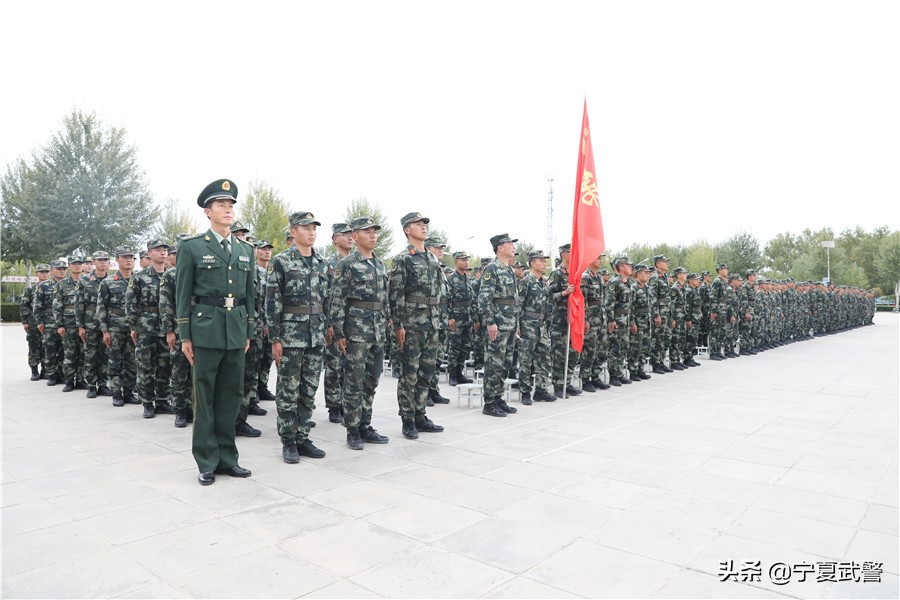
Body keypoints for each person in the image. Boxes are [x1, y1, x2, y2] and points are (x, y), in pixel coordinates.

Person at [175, 179, 255, 486]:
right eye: (221, 205)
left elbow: (249, 296)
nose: (228, 210)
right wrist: (185, 336)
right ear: (208, 212)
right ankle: (206, 461)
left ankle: (228, 459)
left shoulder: (244, 249)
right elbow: (182, 294)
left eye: (231, 205)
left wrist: (247, 330)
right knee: (204, 397)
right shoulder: (192, 247)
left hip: (235, 332)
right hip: (205, 331)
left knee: (230, 398)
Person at [266, 211, 330, 464]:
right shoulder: (281, 262)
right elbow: (272, 301)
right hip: (291, 336)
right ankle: (288, 441)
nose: (312, 231)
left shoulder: (323, 263)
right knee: (288, 390)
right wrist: (275, 338)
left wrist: (328, 328)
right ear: (293, 231)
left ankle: (303, 436)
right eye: (306, 227)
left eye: (314, 227)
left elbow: (327, 300)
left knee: (309, 389)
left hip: (315, 335)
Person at [329, 216, 391, 449]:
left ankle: (366, 425)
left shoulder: (380, 263)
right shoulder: (347, 264)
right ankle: (352, 429)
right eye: (367, 231)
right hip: (356, 331)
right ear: (355, 236)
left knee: (371, 380)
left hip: (377, 330)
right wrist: (339, 333)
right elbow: (337, 300)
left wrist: (388, 321)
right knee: (353, 382)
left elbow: (384, 299)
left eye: (374, 231)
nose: (373, 235)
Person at [388, 212, 445, 439]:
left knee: (426, 373)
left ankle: (420, 415)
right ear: (407, 230)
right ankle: (408, 419)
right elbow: (396, 294)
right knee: (409, 374)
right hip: (412, 324)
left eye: (424, 224)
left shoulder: (431, 259)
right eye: (417, 224)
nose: (423, 227)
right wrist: (398, 325)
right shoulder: (403, 259)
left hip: (431, 323)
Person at [127, 239, 174, 418]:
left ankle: (162, 400)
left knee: (165, 366)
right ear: (149, 253)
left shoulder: (173, 275)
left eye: (164, 250)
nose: (162, 252)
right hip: (146, 328)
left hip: (167, 328)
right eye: (158, 250)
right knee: (145, 366)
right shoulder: (139, 277)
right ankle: (147, 402)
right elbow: (131, 304)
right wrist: (134, 326)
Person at [477, 233, 520, 417]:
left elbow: (513, 300)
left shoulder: (509, 269)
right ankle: (489, 402)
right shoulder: (492, 269)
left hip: (510, 325)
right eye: (510, 244)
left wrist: (516, 324)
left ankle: (498, 398)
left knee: (505, 363)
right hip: (498, 325)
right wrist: (490, 322)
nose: (513, 247)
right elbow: (484, 298)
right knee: (493, 363)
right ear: (500, 247)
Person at [159, 235, 193, 427]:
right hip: (179, 331)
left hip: (199, 329)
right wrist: (169, 330)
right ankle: (180, 410)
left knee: (197, 373)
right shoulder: (171, 275)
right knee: (179, 372)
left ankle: (194, 408)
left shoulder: (200, 271)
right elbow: (165, 305)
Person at [98, 248, 138, 405]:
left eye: (131, 257)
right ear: (117, 260)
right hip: (115, 328)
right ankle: (116, 393)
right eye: (125, 257)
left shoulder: (139, 280)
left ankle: (129, 392)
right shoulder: (108, 282)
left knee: (133, 361)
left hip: (134, 329)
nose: (128, 260)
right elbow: (101, 307)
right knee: (114, 361)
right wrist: (104, 330)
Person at [324, 223, 354, 423]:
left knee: (350, 365)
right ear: (335, 238)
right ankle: (334, 405)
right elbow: (325, 295)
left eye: (352, 234)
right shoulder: (329, 263)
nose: (350, 237)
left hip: (354, 321)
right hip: (335, 320)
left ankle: (346, 402)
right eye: (345, 234)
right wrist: (329, 323)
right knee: (334, 364)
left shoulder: (357, 261)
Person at [516, 250, 555, 404]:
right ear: (532, 263)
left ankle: (540, 390)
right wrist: (518, 326)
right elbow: (518, 305)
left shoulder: (544, 283)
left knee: (544, 359)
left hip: (542, 326)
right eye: (541, 261)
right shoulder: (525, 282)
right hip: (528, 325)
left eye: (545, 261)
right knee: (526, 360)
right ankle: (525, 392)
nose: (545, 263)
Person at [548, 243, 581, 398]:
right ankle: (558, 385)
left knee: (573, 353)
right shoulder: (557, 273)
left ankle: (567, 383)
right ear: (564, 255)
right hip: (559, 320)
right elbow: (549, 296)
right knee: (559, 355)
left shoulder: (575, 274)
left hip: (572, 320)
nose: (574, 253)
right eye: (570, 251)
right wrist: (564, 293)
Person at [76, 250, 112, 397]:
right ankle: (91, 384)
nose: (103, 262)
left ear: (109, 264)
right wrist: (80, 326)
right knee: (90, 354)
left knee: (105, 355)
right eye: (100, 260)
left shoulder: (112, 280)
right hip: (90, 323)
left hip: (107, 324)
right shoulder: (84, 280)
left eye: (105, 260)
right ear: (94, 263)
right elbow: (79, 304)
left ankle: (103, 384)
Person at [53, 255, 85, 392]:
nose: (77, 266)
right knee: (70, 353)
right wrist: (59, 325)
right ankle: (69, 381)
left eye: (79, 263)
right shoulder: (62, 284)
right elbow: (57, 306)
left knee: (83, 353)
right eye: (74, 264)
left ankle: (80, 379)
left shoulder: (88, 282)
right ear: (69, 267)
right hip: (69, 323)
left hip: (85, 324)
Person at [425, 237, 451, 406]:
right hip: (429, 319)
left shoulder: (438, 269)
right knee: (427, 361)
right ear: (428, 248)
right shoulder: (427, 267)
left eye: (442, 247)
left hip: (441, 319)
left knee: (438, 358)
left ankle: (433, 390)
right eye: (437, 247)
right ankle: (424, 393)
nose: (441, 250)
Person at [446, 251, 477, 386]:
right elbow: (446, 300)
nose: (466, 262)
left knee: (465, 348)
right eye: (463, 260)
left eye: (467, 260)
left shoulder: (467, 279)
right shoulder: (451, 279)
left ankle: (459, 373)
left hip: (468, 318)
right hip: (456, 318)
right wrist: (450, 317)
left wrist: (475, 319)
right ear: (456, 262)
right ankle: (453, 374)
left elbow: (473, 300)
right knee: (454, 347)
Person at [580, 255, 610, 391]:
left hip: (600, 319)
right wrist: (585, 319)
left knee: (601, 350)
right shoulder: (585, 277)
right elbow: (583, 299)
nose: (600, 260)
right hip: (591, 320)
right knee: (589, 351)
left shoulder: (598, 277)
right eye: (597, 258)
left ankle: (595, 376)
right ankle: (586, 379)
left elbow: (602, 299)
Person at [605, 256, 633, 386]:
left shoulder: (626, 282)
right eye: (628, 265)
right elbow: (609, 303)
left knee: (624, 347)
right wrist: (611, 320)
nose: (630, 267)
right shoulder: (614, 282)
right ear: (621, 267)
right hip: (616, 320)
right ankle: (613, 375)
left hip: (625, 320)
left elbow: (629, 305)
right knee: (614, 348)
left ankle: (620, 373)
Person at [22, 263, 49, 380]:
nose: (44, 274)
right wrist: (25, 321)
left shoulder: (53, 287)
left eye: (46, 272)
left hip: (48, 321)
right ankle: (34, 370)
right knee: (34, 346)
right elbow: (24, 305)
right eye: (41, 272)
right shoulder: (30, 289)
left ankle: (45, 370)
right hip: (33, 323)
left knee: (46, 347)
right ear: (37, 274)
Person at [628, 265, 653, 382]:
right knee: (635, 348)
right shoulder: (633, 288)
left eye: (648, 273)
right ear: (638, 274)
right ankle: (633, 371)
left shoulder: (646, 287)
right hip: (637, 323)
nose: (647, 275)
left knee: (646, 347)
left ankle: (640, 369)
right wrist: (632, 323)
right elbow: (631, 307)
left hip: (646, 322)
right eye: (645, 273)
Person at [649, 255, 673, 374]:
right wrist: (656, 315)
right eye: (664, 262)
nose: (667, 264)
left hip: (667, 314)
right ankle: (655, 363)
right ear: (658, 264)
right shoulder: (654, 277)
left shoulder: (664, 277)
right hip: (660, 315)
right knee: (657, 339)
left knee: (666, 339)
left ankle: (661, 361)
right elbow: (653, 298)